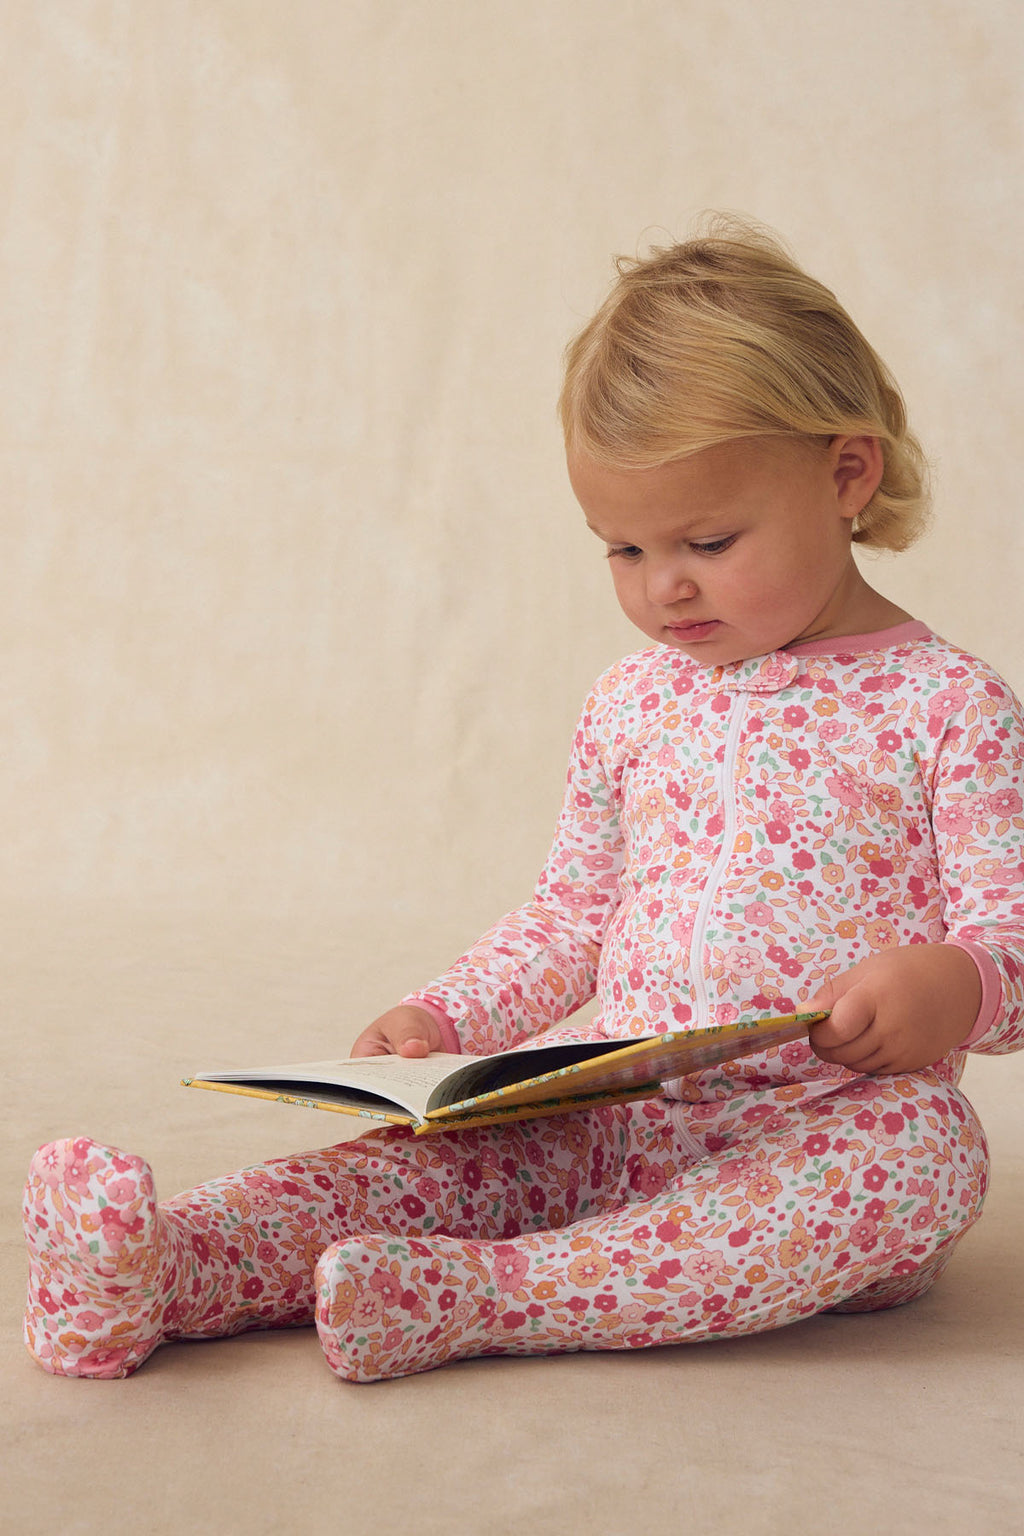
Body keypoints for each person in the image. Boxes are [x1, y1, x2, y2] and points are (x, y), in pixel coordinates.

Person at [24, 217, 1024, 1383]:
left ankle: (489, 1299)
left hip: (815, 1143)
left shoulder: (949, 707)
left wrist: (957, 985)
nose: (664, 589)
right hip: (604, 1107)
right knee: (409, 1159)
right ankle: (158, 1271)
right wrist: (443, 1026)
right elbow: (568, 920)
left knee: (930, 1155)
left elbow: (1011, 935)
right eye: (621, 550)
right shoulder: (629, 705)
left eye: (706, 538)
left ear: (846, 474)